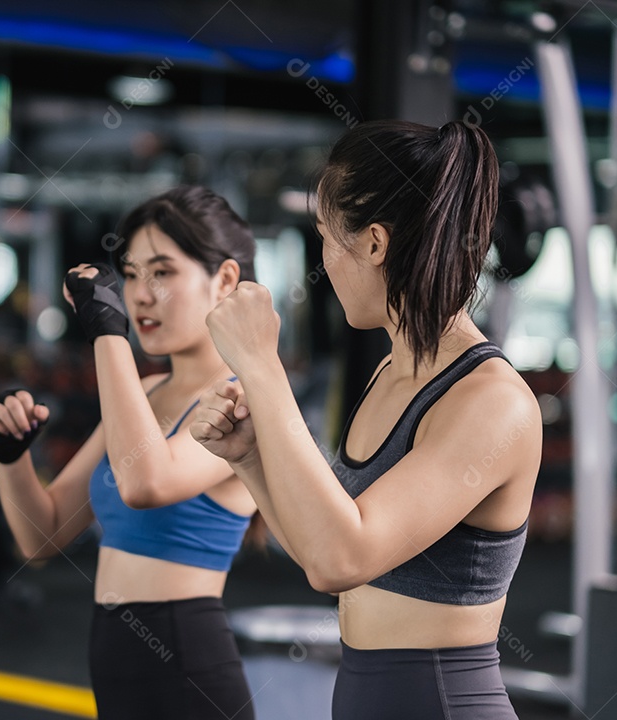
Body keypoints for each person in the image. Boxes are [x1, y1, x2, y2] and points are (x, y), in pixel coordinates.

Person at [190, 120, 542, 719]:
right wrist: (250, 458)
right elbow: (321, 551)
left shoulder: (491, 401)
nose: (325, 263)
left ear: (375, 243)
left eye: (327, 238)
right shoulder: (390, 376)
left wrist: (259, 365)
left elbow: (338, 561)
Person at [0, 186, 259, 720]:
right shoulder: (147, 394)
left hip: (188, 669)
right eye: (130, 275)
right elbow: (44, 537)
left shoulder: (241, 399)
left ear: (223, 280)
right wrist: (11, 457)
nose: (140, 295)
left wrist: (106, 333)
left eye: (162, 273)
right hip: (116, 664)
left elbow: (146, 484)